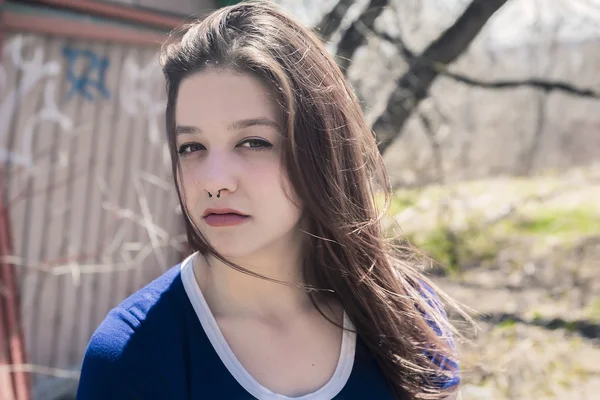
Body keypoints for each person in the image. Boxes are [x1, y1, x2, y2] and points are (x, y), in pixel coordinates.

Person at [76, 1, 467, 399]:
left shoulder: (408, 315)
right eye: (191, 146)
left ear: (322, 148)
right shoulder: (133, 354)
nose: (214, 181)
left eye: (253, 142)